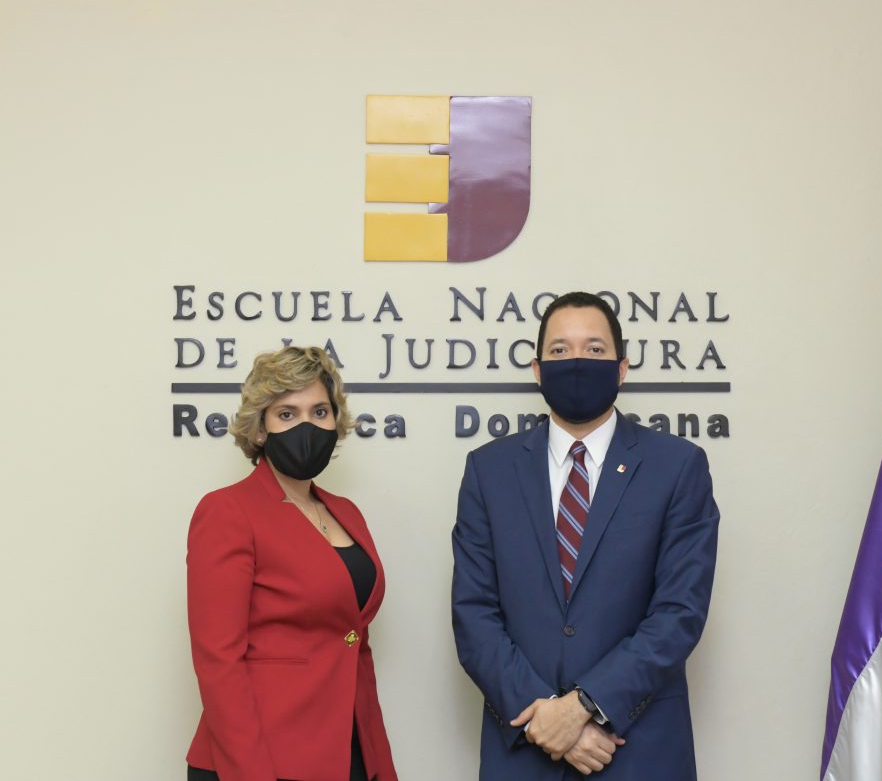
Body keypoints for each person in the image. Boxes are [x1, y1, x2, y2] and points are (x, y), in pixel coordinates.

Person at [451, 292, 720, 780]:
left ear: (622, 368)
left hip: (638, 753)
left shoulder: (678, 467)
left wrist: (584, 707)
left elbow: (679, 613)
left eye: (594, 349)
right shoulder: (489, 471)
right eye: (560, 350)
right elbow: (474, 615)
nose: (576, 361)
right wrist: (547, 719)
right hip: (524, 752)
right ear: (537, 370)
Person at [185, 346, 398, 781]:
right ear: (261, 429)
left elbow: (355, 644)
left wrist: (378, 761)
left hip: (349, 748)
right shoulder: (227, 511)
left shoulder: (346, 512)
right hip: (262, 758)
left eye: (320, 412)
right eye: (287, 414)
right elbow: (219, 663)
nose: (307, 425)